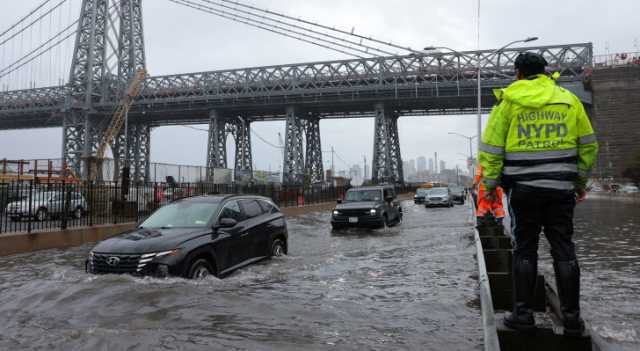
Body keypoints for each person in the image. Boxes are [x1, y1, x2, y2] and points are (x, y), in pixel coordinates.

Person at [478, 52, 599, 336]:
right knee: (564, 250)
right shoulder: (569, 100)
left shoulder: (508, 102)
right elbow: (588, 146)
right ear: (547, 72)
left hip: (523, 191)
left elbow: (491, 150)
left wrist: (491, 188)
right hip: (560, 190)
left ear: (518, 73)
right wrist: (579, 182)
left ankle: (522, 315)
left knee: (524, 249)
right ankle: (572, 320)